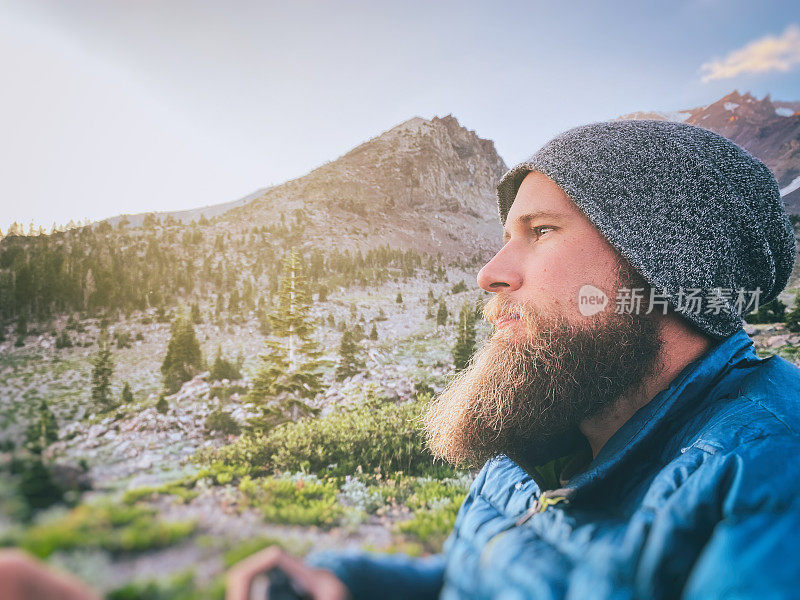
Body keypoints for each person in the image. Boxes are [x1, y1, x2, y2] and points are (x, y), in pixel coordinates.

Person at [4, 119, 800, 599]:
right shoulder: (545, 430)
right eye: (506, 234)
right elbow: (474, 582)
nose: (490, 272)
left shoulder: (765, 476)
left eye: (543, 232)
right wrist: (347, 580)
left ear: (663, 267)